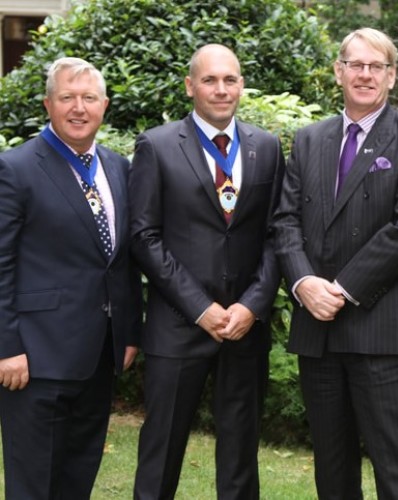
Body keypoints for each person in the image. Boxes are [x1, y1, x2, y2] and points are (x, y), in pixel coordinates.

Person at [272, 27, 398, 499]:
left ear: (391, 77)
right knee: (332, 468)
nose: (365, 75)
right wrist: (304, 281)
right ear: (339, 72)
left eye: (376, 67)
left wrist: (341, 289)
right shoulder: (309, 140)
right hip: (319, 334)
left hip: (386, 331)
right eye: (356, 65)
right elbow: (285, 220)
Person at [129, 44, 285, 499]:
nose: (221, 89)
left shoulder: (267, 147)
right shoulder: (156, 146)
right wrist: (201, 308)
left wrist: (252, 306)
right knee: (161, 452)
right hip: (179, 325)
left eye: (230, 79)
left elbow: (277, 234)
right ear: (190, 86)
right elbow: (144, 237)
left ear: (241, 84)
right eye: (210, 80)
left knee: (240, 455)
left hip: (243, 327)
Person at [0, 57, 140, 499]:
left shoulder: (119, 168)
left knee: (78, 476)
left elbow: (124, 259)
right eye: (67, 98)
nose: (78, 108)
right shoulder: (16, 168)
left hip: (99, 354)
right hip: (34, 358)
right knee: (33, 484)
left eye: (88, 98)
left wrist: (129, 331)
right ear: (48, 104)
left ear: (105, 106)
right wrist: (7, 349)